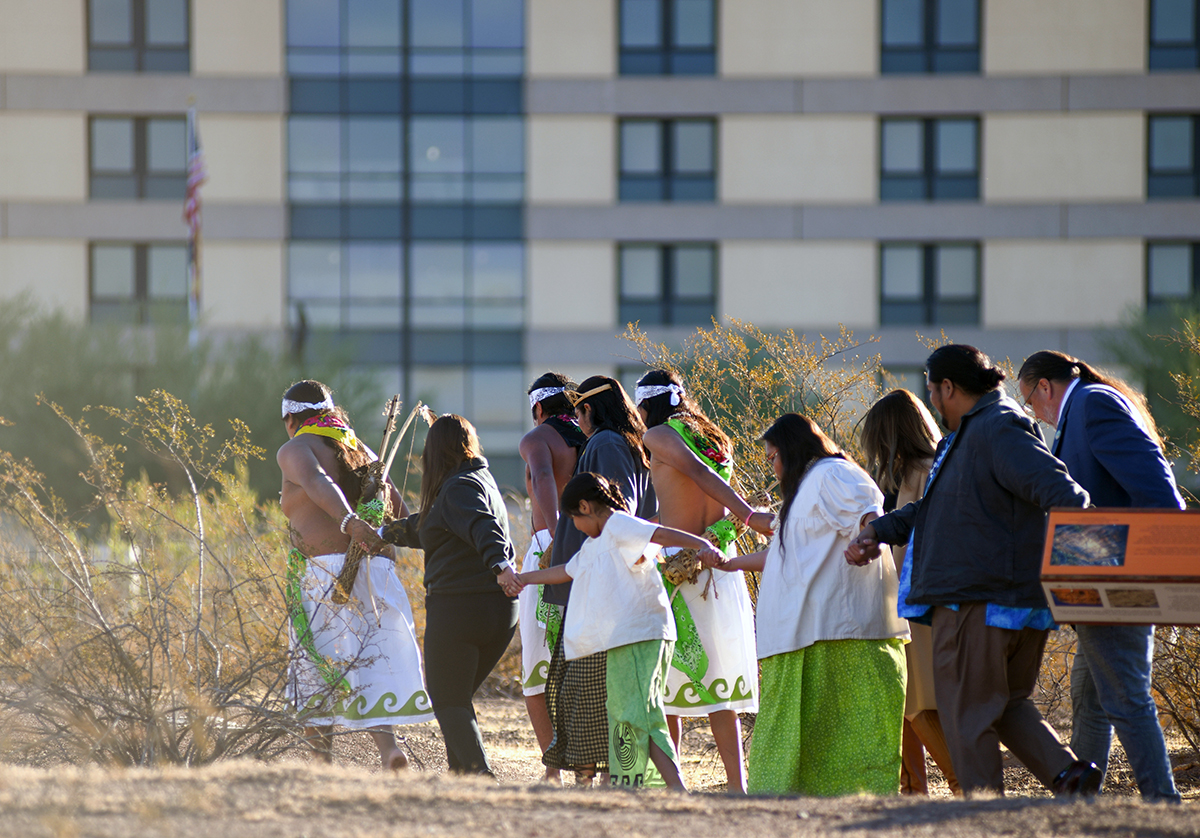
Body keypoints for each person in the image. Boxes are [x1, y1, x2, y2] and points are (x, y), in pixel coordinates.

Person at [845, 345, 1099, 797]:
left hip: (980, 605)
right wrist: (880, 530)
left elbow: (1067, 497)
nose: (933, 402)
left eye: (933, 391)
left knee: (968, 715)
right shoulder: (972, 434)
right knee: (1004, 707)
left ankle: (983, 816)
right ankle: (1068, 776)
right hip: (999, 601)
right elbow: (935, 508)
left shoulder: (997, 427)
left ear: (948, 387)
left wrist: (1080, 580)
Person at [702, 413, 909, 796]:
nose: (771, 466)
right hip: (800, 638)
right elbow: (782, 554)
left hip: (839, 634)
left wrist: (870, 541)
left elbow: (870, 513)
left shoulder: (834, 473)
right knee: (795, 752)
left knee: (848, 746)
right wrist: (729, 562)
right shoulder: (804, 492)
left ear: (791, 451)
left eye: (772, 456)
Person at [1019, 350, 1184, 803]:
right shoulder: (1091, 404)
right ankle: (1078, 803)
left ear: (1045, 387)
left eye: (1029, 400)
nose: (1035, 413)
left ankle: (1163, 803)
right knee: (1090, 698)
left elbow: (1161, 494)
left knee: (1126, 699)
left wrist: (1131, 569)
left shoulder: (1092, 405)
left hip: (1114, 582)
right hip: (1101, 584)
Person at [516, 472, 724, 790]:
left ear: (585, 506)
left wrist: (703, 544)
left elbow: (661, 534)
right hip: (626, 638)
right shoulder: (595, 545)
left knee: (639, 711)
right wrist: (525, 579)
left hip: (642, 634)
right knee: (629, 710)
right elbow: (565, 572)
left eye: (573, 518)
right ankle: (629, 784)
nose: (575, 526)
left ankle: (671, 789)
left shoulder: (619, 525)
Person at [276, 379, 433, 770]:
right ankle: (388, 749)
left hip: (325, 573)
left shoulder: (296, 448)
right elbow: (397, 504)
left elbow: (317, 482)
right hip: (374, 569)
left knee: (318, 664)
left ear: (290, 418)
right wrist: (375, 532)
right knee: (369, 658)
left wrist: (349, 523)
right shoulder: (358, 448)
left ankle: (320, 763)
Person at [635, 369, 773, 793]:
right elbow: (703, 498)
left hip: (677, 566)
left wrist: (749, 514)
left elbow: (695, 474)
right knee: (718, 681)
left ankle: (668, 784)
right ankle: (736, 784)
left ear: (647, 406)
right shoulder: (717, 437)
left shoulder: (658, 435)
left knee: (666, 677)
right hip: (718, 562)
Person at [379, 414, 519, 775]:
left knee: (447, 698)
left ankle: (479, 777)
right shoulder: (475, 480)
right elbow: (429, 526)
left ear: (435, 452)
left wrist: (502, 567)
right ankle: (462, 777)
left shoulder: (458, 488)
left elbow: (483, 527)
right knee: (455, 699)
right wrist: (384, 532)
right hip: (499, 612)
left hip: (461, 607)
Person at [542, 376, 657, 785]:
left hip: (603, 586)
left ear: (589, 410)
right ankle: (595, 774)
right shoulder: (626, 441)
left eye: (578, 412)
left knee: (589, 686)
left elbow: (615, 515)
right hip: (602, 580)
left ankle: (602, 775)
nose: (577, 420)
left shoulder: (607, 443)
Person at [860, 389, 960, 796]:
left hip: (920, 600)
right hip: (898, 599)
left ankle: (964, 785)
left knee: (918, 701)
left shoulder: (926, 470)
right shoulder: (903, 474)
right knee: (902, 701)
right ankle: (912, 790)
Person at [517, 372, 588, 783]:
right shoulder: (589, 436)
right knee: (583, 661)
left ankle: (553, 770)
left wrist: (554, 536)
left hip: (551, 551)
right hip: (591, 550)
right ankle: (584, 764)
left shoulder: (538, 438)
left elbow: (543, 478)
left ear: (539, 408)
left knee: (538, 667)